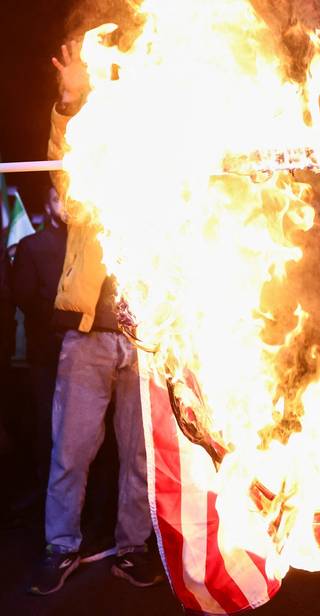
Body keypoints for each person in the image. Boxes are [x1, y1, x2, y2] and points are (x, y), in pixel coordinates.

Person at [28, 39, 162, 595]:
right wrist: (68, 103)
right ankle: (60, 546)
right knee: (71, 451)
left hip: (149, 338)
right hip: (89, 337)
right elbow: (63, 173)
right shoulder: (92, 181)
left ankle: (134, 546)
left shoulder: (168, 183)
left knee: (141, 455)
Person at [12, 186, 67, 492]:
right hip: (46, 352)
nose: (65, 205)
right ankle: (43, 495)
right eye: (58, 199)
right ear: (47, 205)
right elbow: (23, 296)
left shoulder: (91, 245)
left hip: (80, 352)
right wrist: (60, 318)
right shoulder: (32, 245)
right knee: (45, 425)